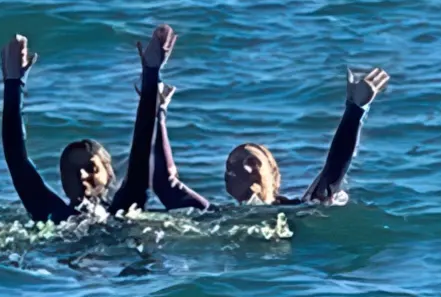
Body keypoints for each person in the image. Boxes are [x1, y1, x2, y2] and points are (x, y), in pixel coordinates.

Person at [133, 56, 392, 212]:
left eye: (252, 162)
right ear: (227, 186)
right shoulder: (214, 217)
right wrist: (157, 114)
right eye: (232, 167)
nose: (244, 169)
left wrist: (355, 110)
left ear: (274, 175)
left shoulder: (301, 210)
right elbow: (165, 183)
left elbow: (332, 172)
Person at [0, 29, 176, 222]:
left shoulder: (126, 207)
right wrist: (13, 82)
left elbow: (142, 153)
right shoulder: (51, 212)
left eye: (91, 168)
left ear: (109, 174)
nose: (82, 176)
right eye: (71, 172)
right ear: (64, 183)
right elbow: (16, 159)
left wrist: (151, 73)